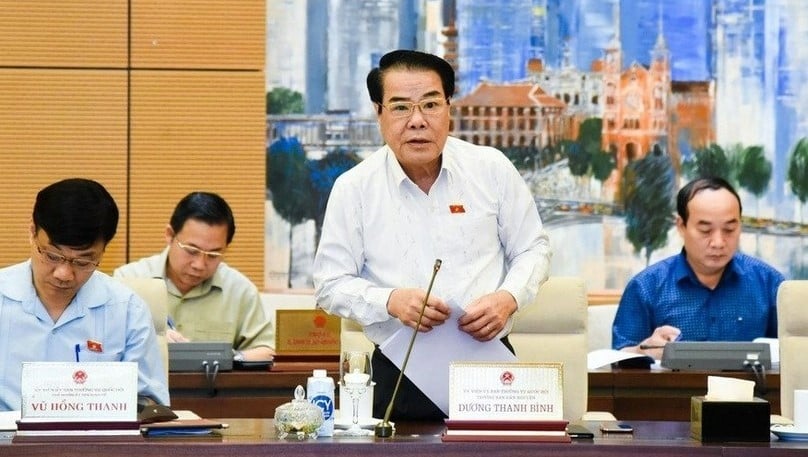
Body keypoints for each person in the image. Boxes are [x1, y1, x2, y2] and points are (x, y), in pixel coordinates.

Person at [312, 49, 551, 421]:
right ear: (379, 113)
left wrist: (508, 297)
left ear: (449, 107)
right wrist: (390, 300)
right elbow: (329, 284)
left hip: (488, 363)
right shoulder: (354, 188)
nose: (418, 121)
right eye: (401, 107)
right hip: (399, 373)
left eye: (430, 104)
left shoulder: (491, 169)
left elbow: (533, 249)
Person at [0, 178, 169, 411]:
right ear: (32, 233)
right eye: (52, 255)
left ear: (103, 251)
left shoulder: (128, 310)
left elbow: (150, 405)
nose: (64, 274)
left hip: (95, 445)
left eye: (83, 261)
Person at [612, 176, 785, 360]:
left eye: (729, 230)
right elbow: (615, 361)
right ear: (681, 226)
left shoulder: (769, 284)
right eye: (705, 230)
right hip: (673, 389)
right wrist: (642, 351)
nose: (718, 243)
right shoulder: (646, 287)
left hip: (753, 389)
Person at [114, 191, 274, 362]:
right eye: (192, 251)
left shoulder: (240, 291)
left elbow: (267, 351)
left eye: (213, 254)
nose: (199, 264)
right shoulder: (129, 280)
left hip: (211, 388)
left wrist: (224, 358)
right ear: (169, 235)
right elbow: (102, 344)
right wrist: (151, 341)